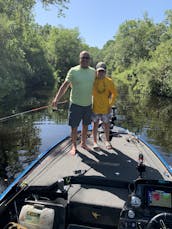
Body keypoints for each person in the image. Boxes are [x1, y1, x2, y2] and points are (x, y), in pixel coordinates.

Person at [52, 51, 95, 155]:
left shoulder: (93, 71)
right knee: (74, 127)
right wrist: (56, 99)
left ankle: (83, 143)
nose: (84, 59)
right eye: (83, 57)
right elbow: (65, 86)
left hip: (88, 104)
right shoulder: (73, 70)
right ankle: (74, 146)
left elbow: (99, 85)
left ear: (89, 60)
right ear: (79, 59)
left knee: (85, 126)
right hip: (75, 104)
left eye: (87, 58)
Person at [92, 62, 117, 150]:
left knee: (106, 125)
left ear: (105, 72)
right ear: (96, 71)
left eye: (102, 71)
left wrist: (110, 104)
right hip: (95, 107)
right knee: (95, 125)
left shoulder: (109, 81)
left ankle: (107, 141)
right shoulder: (93, 80)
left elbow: (114, 94)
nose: (101, 73)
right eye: (99, 71)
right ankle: (95, 142)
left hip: (106, 108)